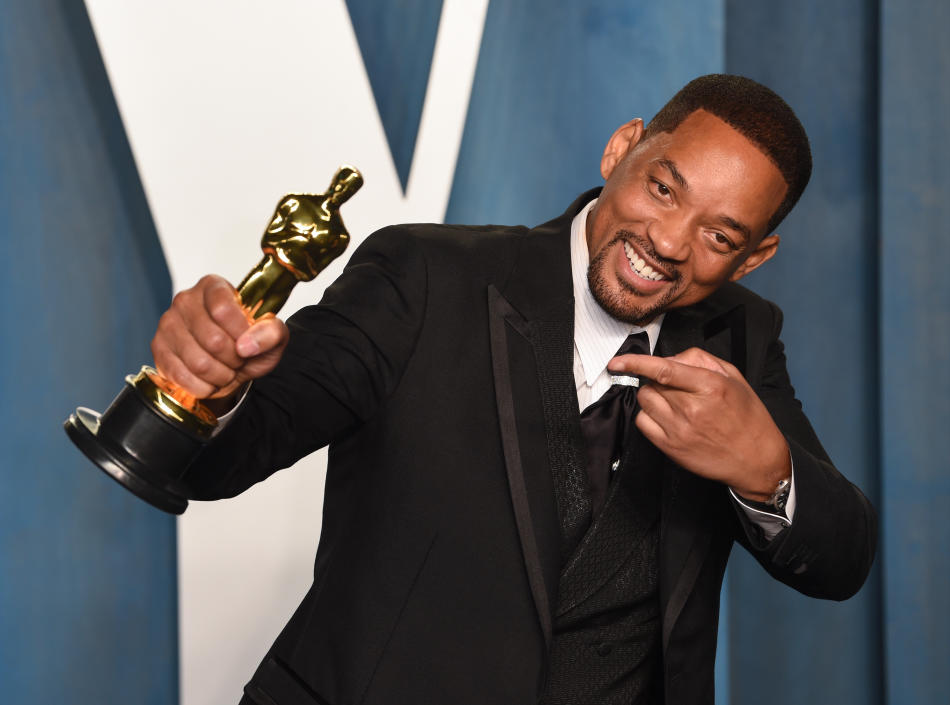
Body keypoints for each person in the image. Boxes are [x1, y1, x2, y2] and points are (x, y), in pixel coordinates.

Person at [153, 74, 877, 705]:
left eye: (720, 237)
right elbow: (225, 454)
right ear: (622, 148)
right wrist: (207, 392)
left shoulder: (743, 339)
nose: (669, 242)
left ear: (754, 258)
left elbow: (842, 559)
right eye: (663, 189)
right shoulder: (424, 276)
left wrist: (767, 469)